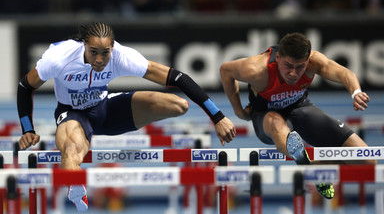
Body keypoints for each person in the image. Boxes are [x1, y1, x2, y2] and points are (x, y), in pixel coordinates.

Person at [17, 22, 236, 212]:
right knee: (71, 149)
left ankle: (75, 177)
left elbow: (177, 77)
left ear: (113, 48)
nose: (100, 60)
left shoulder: (121, 56)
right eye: (93, 52)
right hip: (73, 115)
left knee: (179, 105)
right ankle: (76, 188)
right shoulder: (58, 59)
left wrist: (217, 117)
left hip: (106, 110)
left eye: (105, 53)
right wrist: (27, 129)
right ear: (83, 44)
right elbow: (25, 87)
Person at [220, 32, 376, 200]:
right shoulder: (256, 69)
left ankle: (313, 167)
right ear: (278, 57)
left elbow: (344, 73)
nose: (293, 73)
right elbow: (225, 70)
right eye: (288, 65)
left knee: (367, 161)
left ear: (307, 61)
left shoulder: (314, 61)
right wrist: (239, 111)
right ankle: (302, 157)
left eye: (300, 67)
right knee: (276, 122)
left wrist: (356, 92)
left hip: (300, 108)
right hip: (265, 116)